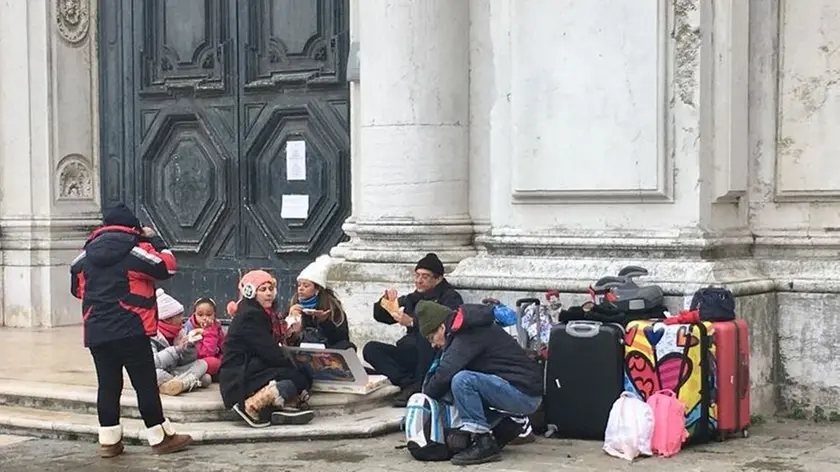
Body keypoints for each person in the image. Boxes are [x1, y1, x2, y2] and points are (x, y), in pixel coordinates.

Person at [70, 202, 192, 458]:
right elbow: (167, 266)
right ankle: (160, 437)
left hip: (97, 332)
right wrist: (156, 239)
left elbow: (77, 289)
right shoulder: (136, 250)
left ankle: (109, 441)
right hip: (131, 328)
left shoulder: (85, 255)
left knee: (108, 385)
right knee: (145, 384)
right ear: (133, 227)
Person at [416, 301, 544, 466]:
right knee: (458, 389)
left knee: (462, 380)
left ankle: (483, 442)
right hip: (523, 391)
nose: (434, 345)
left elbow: (443, 375)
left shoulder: (466, 334)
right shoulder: (467, 329)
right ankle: (505, 427)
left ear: (441, 327)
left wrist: (424, 400)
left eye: (431, 338)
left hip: (523, 394)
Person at [363, 253, 463, 407]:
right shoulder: (412, 298)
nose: (419, 280)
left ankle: (419, 385)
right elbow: (383, 317)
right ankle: (407, 383)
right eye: (417, 275)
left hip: (432, 353)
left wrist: (412, 323)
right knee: (371, 348)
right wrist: (385, 303)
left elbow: (448, 324)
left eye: (425, 276)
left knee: (426, 337)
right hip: (409, 352)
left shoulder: (450, 297)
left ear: (438, 279)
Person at [219, 270, 315, 428]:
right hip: (238, 378)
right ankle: (251, 405)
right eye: (263, 290)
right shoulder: (250, 316)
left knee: (300, 373)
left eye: (271, 289)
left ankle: (280, 406)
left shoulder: (258, 313)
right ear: (250, 293)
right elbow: (269, 351)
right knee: (297, 376)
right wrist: (292, 365)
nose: (269, 294)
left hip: (249, 367)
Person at [286, 255, 354, 350]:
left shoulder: (333, 309)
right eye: (299, 285)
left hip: (327, 350)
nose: (300, 289)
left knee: (348, 347)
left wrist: (325, 321)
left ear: (317, 289)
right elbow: (285, 339)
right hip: (301, 349)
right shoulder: (294, 306)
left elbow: (341, 339)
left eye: (306, 286)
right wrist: (291, 319)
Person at [152, 288, 211, 396]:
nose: (182, 319)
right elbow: (152, 362)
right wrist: (176, 349)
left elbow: (185, 362)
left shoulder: (181, 332)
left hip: (175, 371)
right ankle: (186, 383)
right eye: (178, 316)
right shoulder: (152, 335)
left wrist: (190, 347)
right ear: (167, 319)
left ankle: (176, 385)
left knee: (202, 365)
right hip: (158, 371)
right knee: (152, 374)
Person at [183, 297, 225, 379]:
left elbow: (223, 346)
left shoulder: (217, 326)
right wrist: (209, 331)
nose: (204, 318)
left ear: (215, 315)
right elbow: (206, 353)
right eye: (200, 314)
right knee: (214, 363)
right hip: (198, 361)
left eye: (209, 315)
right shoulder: (191, 330)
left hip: (214, 357)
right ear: (195, 314)